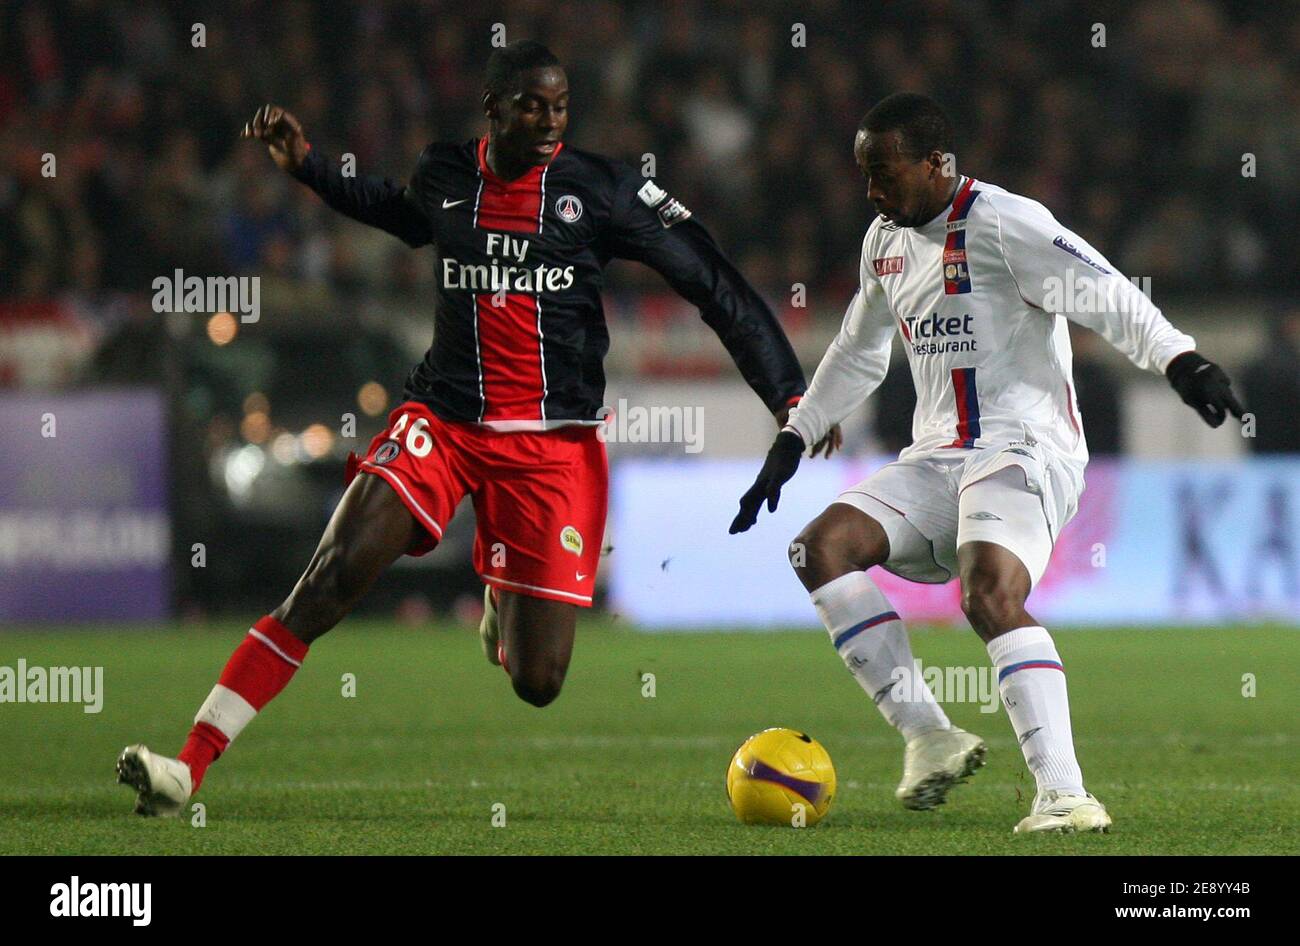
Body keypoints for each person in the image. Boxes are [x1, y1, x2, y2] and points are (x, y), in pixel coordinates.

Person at [117, 41, 839, 817]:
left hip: (552, 446)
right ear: (493, 108)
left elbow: (711, 281)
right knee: (328, 583)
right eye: (532, 105)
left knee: (538, 682)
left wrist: (787, 393)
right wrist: (309, 168)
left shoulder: (601, 190)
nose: (550, 120)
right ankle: (187, 767)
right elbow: (400, 213)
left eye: (560, 107)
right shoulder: (447, 173)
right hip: (446, 421)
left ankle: (500, 588)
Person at [730, 92, 1244, 834]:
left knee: (987, 591)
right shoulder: (885, 241)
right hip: (937, 457)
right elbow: (859, 351)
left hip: (1026, 445)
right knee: (820, 548)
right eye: (864, 175)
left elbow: (1104, 292)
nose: (872, 191)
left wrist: (1181, 360)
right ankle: (929, 735)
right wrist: (795, 435)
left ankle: (1066, 795)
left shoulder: (1006, 222)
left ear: (939, 165)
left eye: (884, 172)